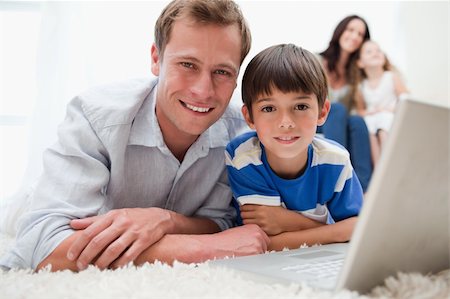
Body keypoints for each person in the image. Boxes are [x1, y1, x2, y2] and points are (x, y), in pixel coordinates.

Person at [0, 0, 270, 272]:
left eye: (222, 72)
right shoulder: (95, 116)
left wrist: (164, 220)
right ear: (156, 59)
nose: (203, 90)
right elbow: (43, 245)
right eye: (187, 64)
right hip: (37, 203)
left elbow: (222, 220)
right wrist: (200, 248)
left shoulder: (243, 137)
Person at [225, 44, 363, 251]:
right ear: (249, 117)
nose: (286, 122)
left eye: (300, 106)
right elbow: (263, 243)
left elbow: (359, 230)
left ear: (322, 112)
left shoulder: (335, 160)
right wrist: (336, 230)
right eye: (269, 108)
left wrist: (287, 221)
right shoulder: (243, 158)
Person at [317, 15, 373, 192]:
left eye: (360, 34)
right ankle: (335, 174)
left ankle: (364, 188)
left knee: (357, 121)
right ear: (340, 31)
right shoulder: (316, 61)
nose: (355, 36)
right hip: (315, 121)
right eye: (351, 30)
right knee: (338, 109)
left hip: (339, 127)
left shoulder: (356, 75)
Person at [353, 40, 409, 166]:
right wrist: (369, 112)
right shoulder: (362, 86)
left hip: (390, 114)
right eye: (369, 52)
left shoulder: (391, 77)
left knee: (383, 127)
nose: (375, 53)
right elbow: (360, 110)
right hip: (372, 117)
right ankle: (379, 168)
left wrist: (391, 110)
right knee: (369, 130)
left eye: (378, 50)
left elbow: (405, 99)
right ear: (360, 63)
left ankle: (388, 165)